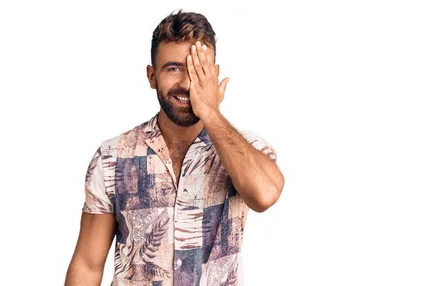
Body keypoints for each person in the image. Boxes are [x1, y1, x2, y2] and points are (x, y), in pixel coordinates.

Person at [65, 10, 284, 286]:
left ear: (214, 76)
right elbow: (87, 264)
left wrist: (210, 111)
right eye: (173, 68)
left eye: (197, 70)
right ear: (152, 76)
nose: (185, 83)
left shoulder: (245, 149)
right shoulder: (113, 157)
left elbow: (264, 194)